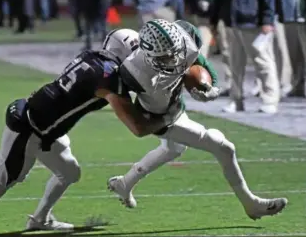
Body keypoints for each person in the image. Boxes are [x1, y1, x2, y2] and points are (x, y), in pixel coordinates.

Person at [0, 29, 167, 231]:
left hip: (43, 126)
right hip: (31, 130)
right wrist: (165, 118)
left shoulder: (93, 57)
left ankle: (39, 220)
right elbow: (138, 128)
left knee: (70, 171)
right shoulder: (108, 76)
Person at [107, 19, 288, 220]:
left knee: (173, 149)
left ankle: (124, 184)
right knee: (224, 147)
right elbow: (121, 106)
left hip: (174, 104)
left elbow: (201, 63)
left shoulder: (186, 36)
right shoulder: (132, 72)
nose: (174, 60)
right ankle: (251, 204)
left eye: (175, 53)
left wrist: (212, 88)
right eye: (165, 58)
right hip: (160, 117)